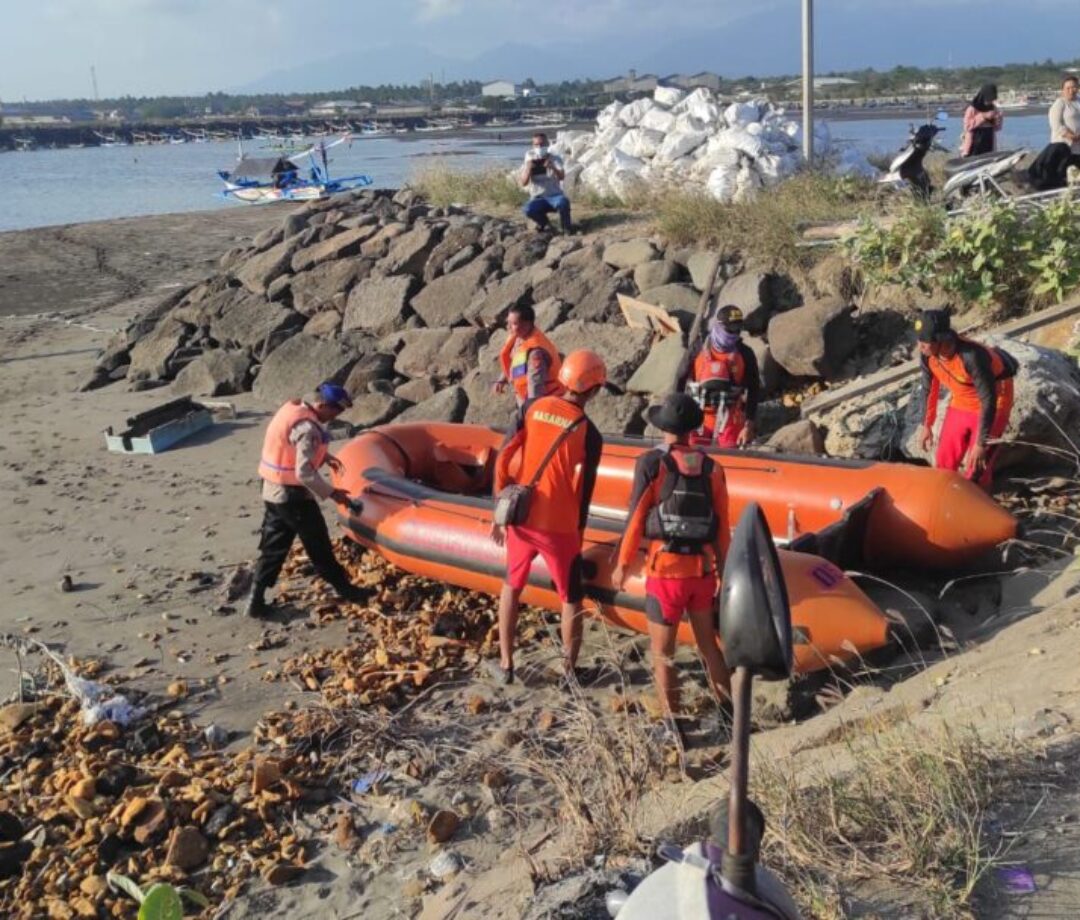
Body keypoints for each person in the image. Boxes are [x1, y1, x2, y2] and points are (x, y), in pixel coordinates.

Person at [489, 350, 607, 685]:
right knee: (570, 598)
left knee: (511, 586)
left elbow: (504, 456)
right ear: (594, 390)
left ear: (565, 379)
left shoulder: (530, 407)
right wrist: (580, 531)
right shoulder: (589, 432)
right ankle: (569, 673)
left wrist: (498, 507)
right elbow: (585, 490)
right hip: (560, 526)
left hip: (521, 518)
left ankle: (506, 664)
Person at [613, 393, 732, 723]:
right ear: (693, 429)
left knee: (663, 654)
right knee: (709, 646)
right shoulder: (713, 467)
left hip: (665, 575)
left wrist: (623, 564)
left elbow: (636, 517)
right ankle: (728, 715)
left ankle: (673, 725)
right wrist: (724, 571)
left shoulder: (652, 463)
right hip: (702, 573)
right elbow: (722, 526)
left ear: (663, 427)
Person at [245, 382, 371, 618]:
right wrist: (333, 493)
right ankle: (348, 591)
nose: (335, 417)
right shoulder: (309, 430)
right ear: (322, 405)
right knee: (318, 544)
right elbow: (304, 472)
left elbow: (289, 448)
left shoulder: (291, 408)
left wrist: (325, 457)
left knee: (273, 546)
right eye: (335, 411)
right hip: (292, 496)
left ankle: (255, 600)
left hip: (271, 489)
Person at [914, 310, 1017, 489]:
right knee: (944, 460)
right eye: (919, 340)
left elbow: (989, 399)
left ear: (941, 340)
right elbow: (929, 389)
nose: (920, 346)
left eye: (925, 341)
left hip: (994, 401)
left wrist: (981, 443)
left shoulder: (971, 356)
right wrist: (926, 425)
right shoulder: (927, 355)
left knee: (976, 468)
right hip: (961, 399)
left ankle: (980, 501)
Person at [684, 305, 761, 448]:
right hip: (698, 418)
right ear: (718, 326)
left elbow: (754, 389)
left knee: (730, 454)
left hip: (731, 419)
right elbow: (680, 378)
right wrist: (678, 415)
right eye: (730, 329)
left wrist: (749, 424)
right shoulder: (697, 348)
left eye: (738, 329)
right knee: (693, 458)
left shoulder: (745, 354)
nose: (734, 333)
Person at [492, 303, 563, 407]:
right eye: (508, 322)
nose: (508, 327)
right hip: (523, 396)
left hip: (547, 403)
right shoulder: (520, 336)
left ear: (527, 324)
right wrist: (502, 379)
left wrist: (531, 411)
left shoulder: (536, 353)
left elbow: (536, 386)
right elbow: (515, 359)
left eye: (514, 324)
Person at [1029, 76, 1080, 190]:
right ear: (1063, 89)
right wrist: (1069, 135)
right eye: (1068, 88)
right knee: (1060, 172)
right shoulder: (1060, 103)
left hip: (1078, 146)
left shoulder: (1078, 102)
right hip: (1063, 145)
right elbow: (1056, 124)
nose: (1071, 90)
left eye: (1074, 87)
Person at [519, 132, 573, 234]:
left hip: (554, 196)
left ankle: (567, 228)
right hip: (537, 197)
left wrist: (552, 167)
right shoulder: (529, 160)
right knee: (527, 209)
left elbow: (561, 177)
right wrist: (529, 169)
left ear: (547, 145)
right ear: (533, 146)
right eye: (536, 145)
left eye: (542, 144)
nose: (539, 147)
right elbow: (523, 183)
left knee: (563, 202)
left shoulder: (555, 158)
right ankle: (544, 223)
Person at [960, 84, 1003, 158]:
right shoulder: (972, 109)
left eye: (991, 100)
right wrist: (983, 117)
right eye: (988, 99)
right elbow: (967, 127)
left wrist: (998, 118)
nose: (989, 102)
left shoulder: (993, 108)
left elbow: (997, 128)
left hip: (988, 139)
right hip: (974, 140)